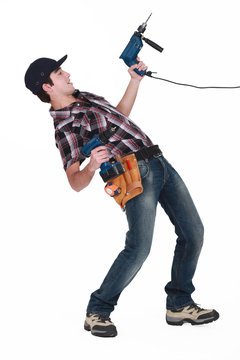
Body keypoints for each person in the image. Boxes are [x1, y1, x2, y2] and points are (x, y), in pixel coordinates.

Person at [25, 54, 219, 338]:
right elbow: (75, 182)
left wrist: (134, 82)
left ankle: (179, 303)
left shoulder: (87, 97)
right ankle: (98, 311)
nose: (67, 73)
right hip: (134, 176)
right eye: (58, 72)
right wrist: (91, 165)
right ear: (47, 87)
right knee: (139, 247)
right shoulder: (65, 126)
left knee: (193, 232)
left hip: (158, 161)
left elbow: (120, 116)